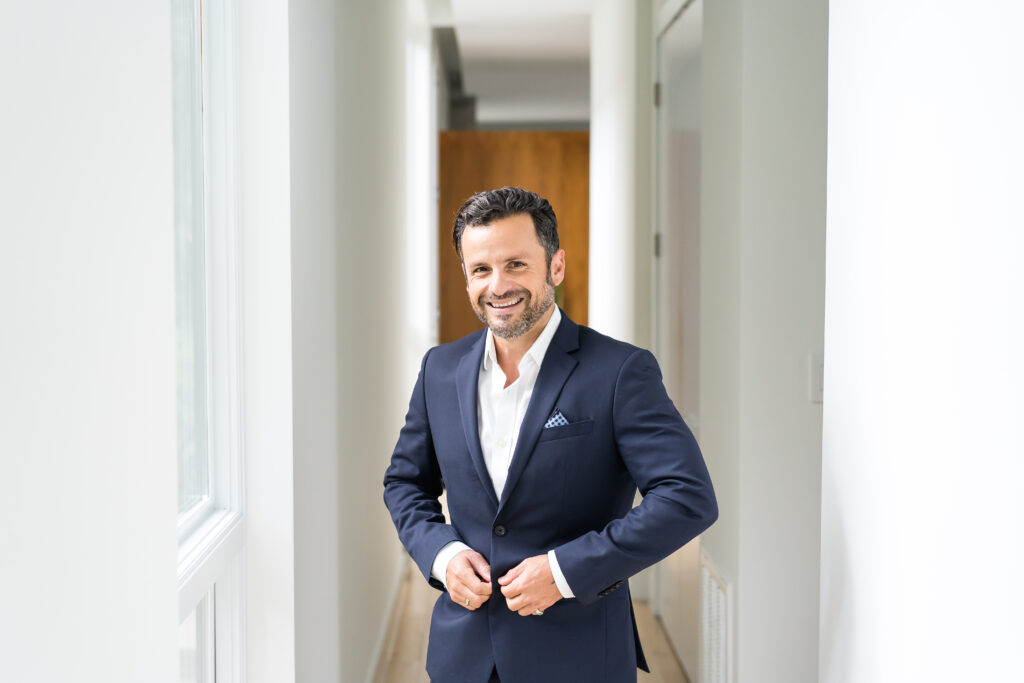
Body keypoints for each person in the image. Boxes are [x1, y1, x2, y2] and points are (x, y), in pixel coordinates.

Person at [383, 187, 717, 682]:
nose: (497, 285)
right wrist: (443, 554)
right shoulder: (439, 369)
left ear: (555, 266)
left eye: (516, 264)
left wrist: (563, 572)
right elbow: (405, 484)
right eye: (480, 269)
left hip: (578, 656)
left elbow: (688, 498)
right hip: (463, 657)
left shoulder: (620, 371)